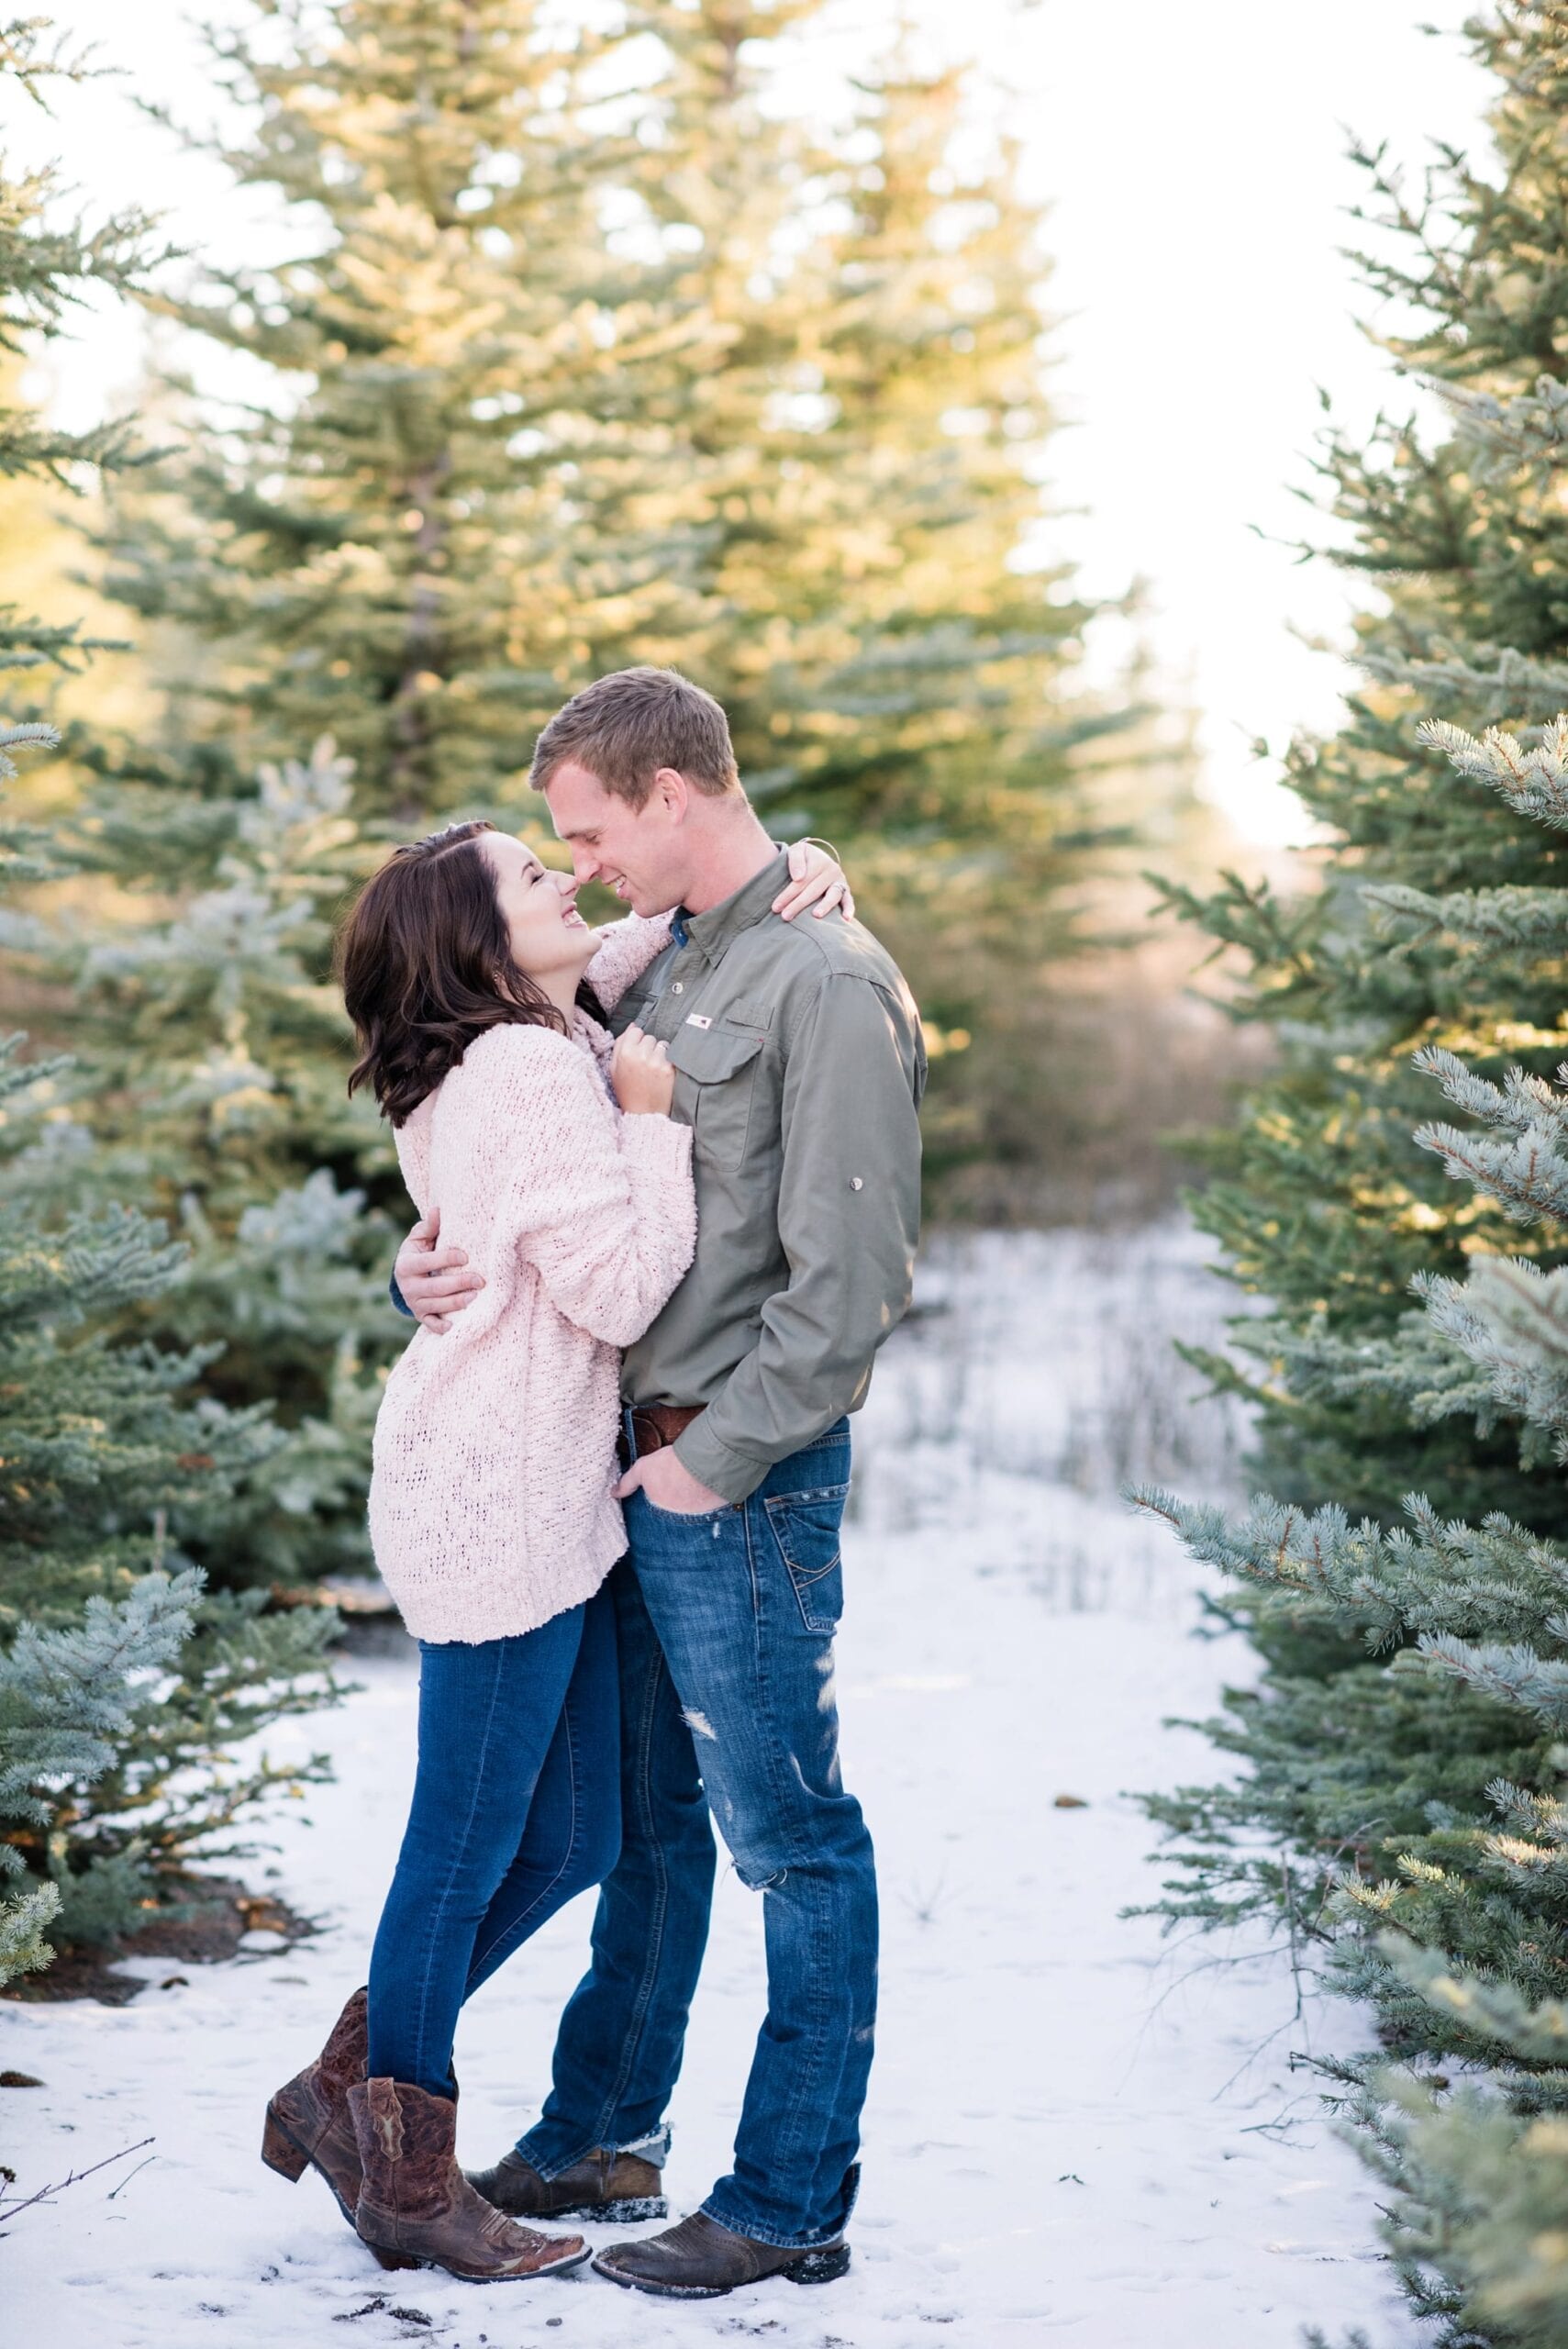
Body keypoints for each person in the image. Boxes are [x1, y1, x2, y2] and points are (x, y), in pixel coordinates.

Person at [395, 664, 926, 2299]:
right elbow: (535, 1165)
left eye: (590, 831)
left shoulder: (825, 979)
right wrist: (419, 1273)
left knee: (790, 1835)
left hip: (724, 1471)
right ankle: (598, 2135)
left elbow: (853, 1284)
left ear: (672, 796)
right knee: (648, 1828)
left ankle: (783, 2200)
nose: (582, 866)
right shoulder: (672, 957)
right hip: (607, 1459)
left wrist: (715, 1461)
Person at [261, 810, 849, 2281]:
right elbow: (611, 1285)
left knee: (577, 1832)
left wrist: (800, 861)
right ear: (477, 941)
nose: (567, 880)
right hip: (496, 1491)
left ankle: (344, 2085)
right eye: (533, 876)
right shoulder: (530, 1065)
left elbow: (650, 932)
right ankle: (406, 2176)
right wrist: (648, 1125)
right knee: (458, 1855)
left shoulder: (524, 1028)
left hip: (524, 1480)